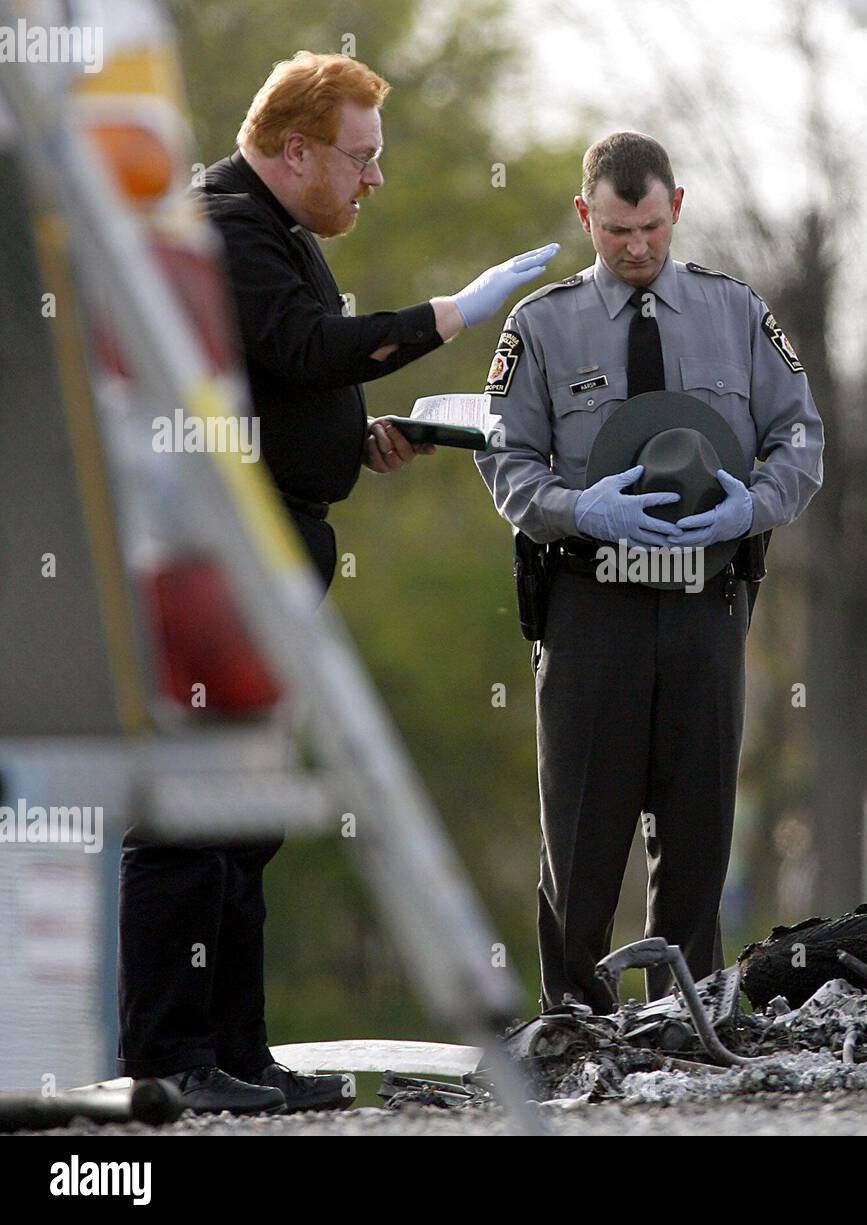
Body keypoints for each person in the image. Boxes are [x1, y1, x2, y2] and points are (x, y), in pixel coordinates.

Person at [117, 50, 558, 1114]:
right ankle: (172, 1057)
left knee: (247, 815)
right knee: (195, 812)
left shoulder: (282, 230)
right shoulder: (226, 223)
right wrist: (445, 315)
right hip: (225, 560)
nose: (373, 180)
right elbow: (307, 345)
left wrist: (351, 441)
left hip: (274, 543)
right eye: (359, 159)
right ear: (294, 149)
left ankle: (236, 1050)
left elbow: (278, 378)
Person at [475, 132, 823, 1011]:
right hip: (592, 609)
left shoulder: (735, 312)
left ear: (680, 208)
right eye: (618, 230)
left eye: (654, 228)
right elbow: (505, 459)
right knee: (583, 841)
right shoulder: (542, 325)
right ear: (587, 214)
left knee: (700, 836)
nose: (637, 248)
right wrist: (574, 507)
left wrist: (756, 503)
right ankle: (573, 1027)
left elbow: (802, 435)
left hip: (704, 604)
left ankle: (688, 1021)